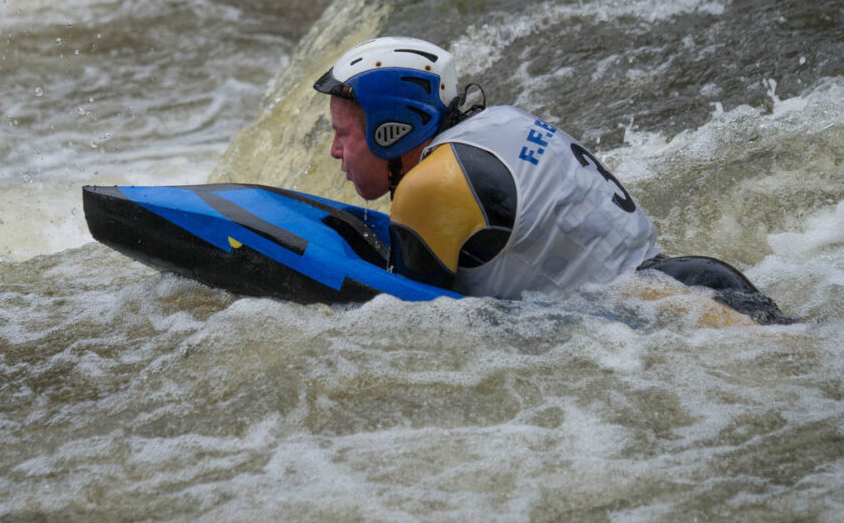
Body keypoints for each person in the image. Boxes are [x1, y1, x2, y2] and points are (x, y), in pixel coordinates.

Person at [315, 36, 793, 324]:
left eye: (342, 134)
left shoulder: (429, 187)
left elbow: (409, 323)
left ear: (391, 128)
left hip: (666, 319)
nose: (335, 151)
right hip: (692, 283)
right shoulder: (501, 122)